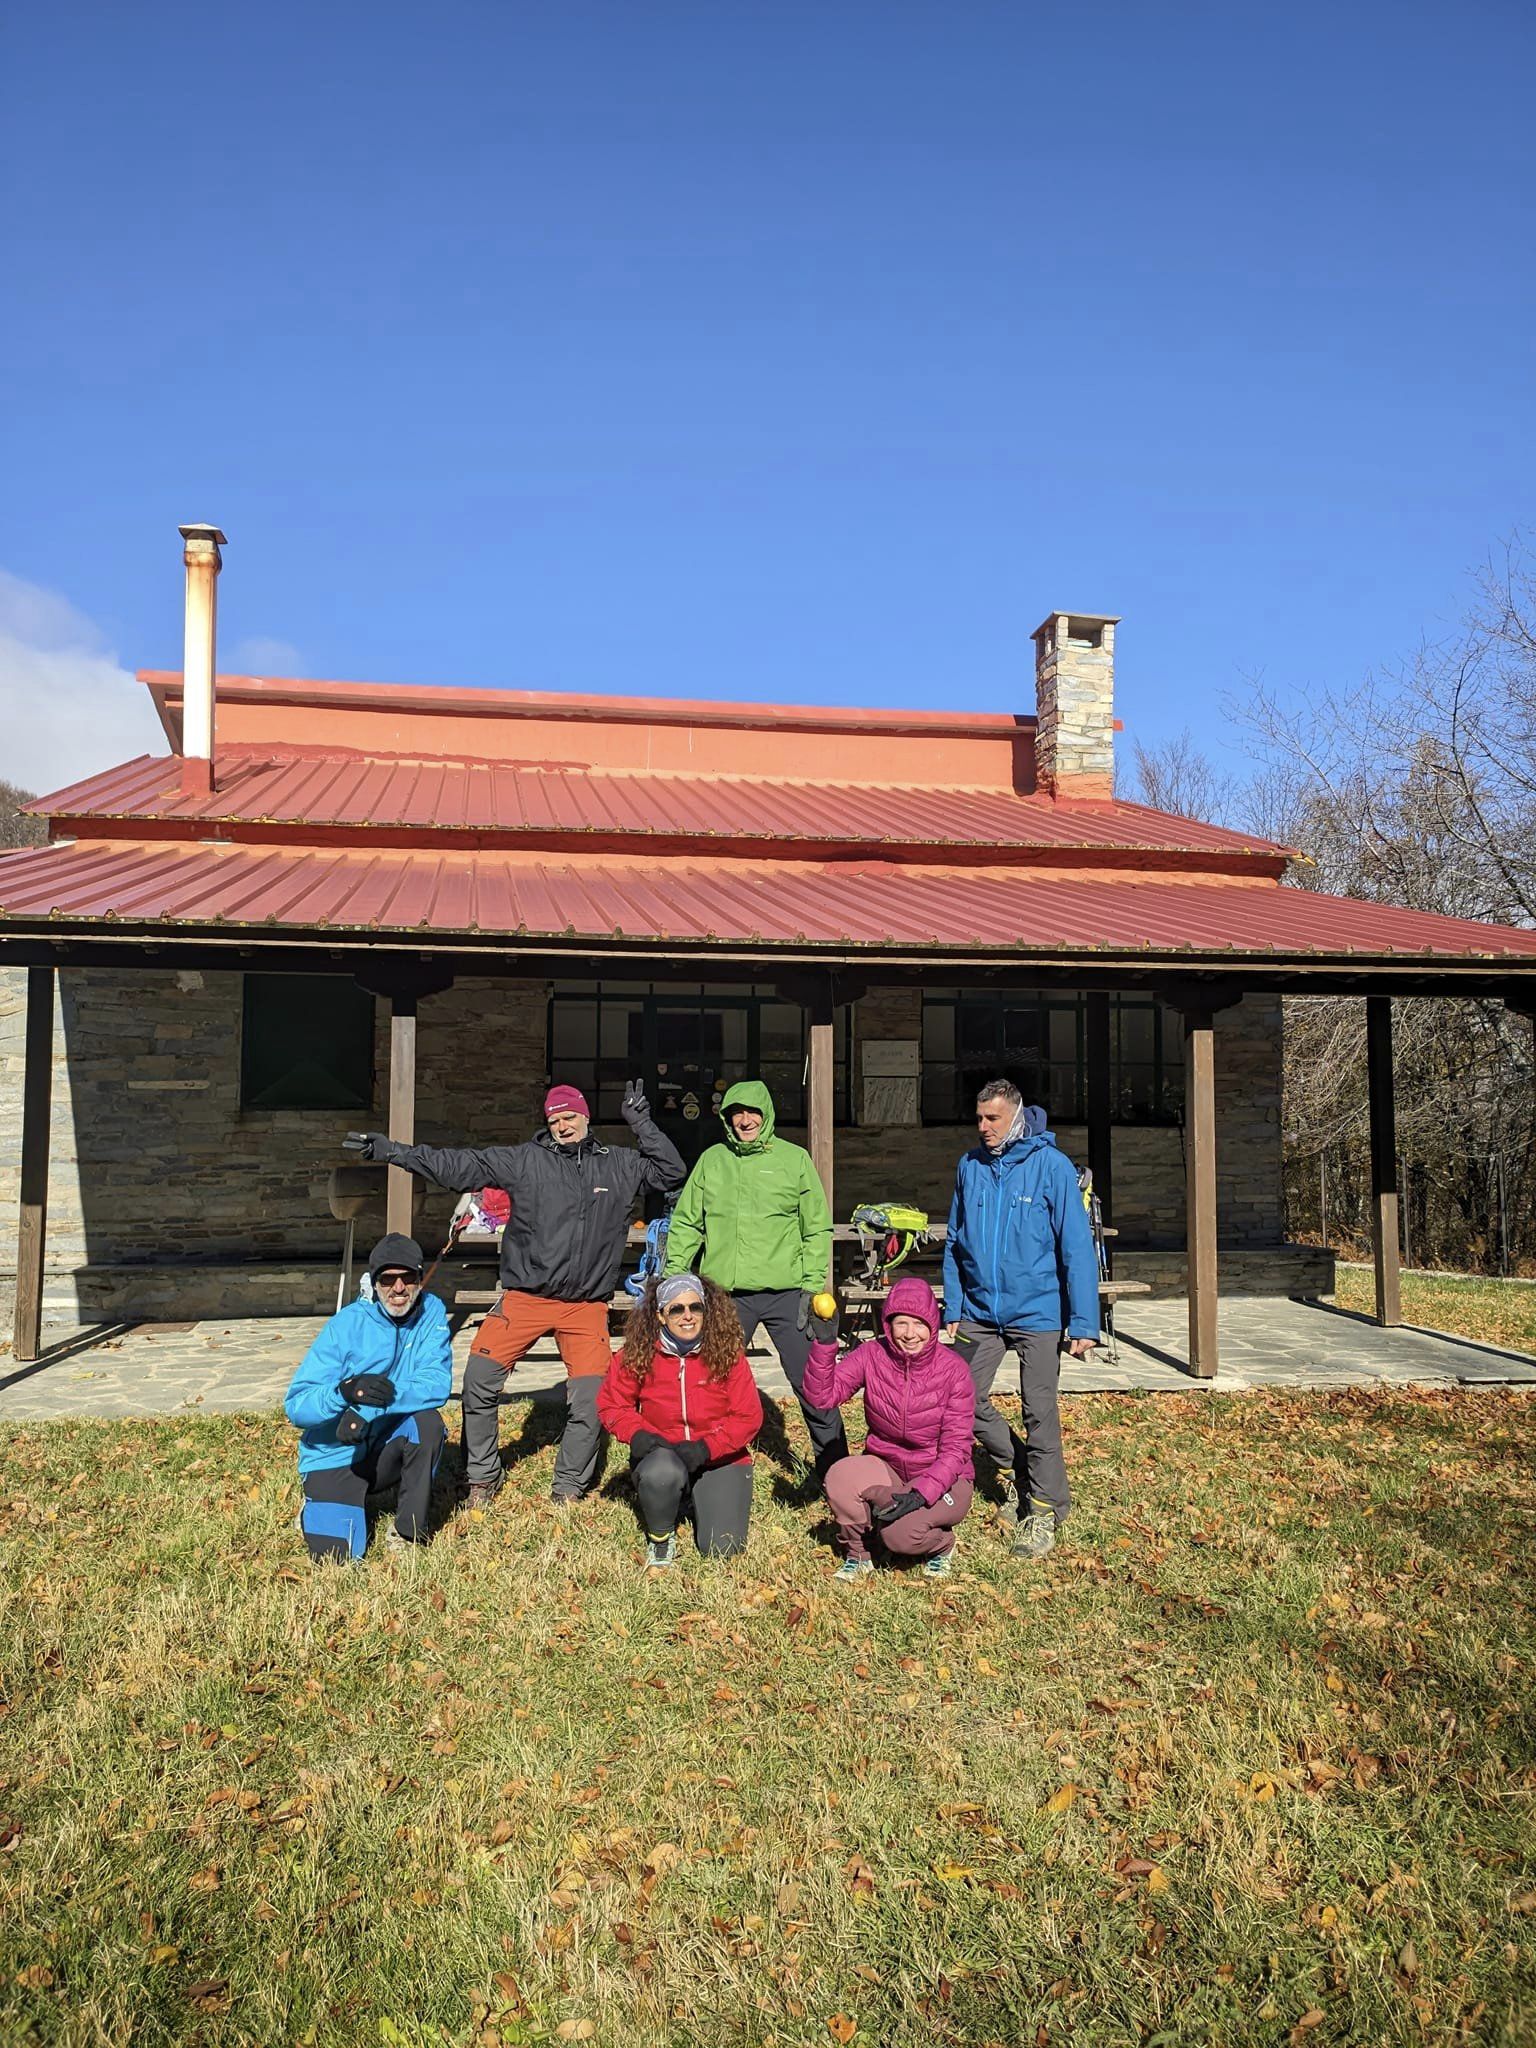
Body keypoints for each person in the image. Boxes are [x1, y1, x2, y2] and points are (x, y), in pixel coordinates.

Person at [345, 1081, 685, 1508]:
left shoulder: (618, 1164)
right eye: (554, 1119)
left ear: (585, 1117)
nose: (563, 1126)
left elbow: (671, 1171)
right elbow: (457, 1166)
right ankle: (483, 1477)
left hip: (585, 1306)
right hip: (525, 1297)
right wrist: (393, 1151)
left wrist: (642, 1123)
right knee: (479, 1383)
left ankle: (568, 1487)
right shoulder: (525, 1160)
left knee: (592, 1398)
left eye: (569, 1117)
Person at [941, 1079, 1099, 1561]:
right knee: (960, 1398)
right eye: (979, 1117)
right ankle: (1022, 1471)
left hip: (1038, 1313)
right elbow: (954, 1241)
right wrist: (953, 1306)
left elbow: (1076, 1249)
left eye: (993, 1118)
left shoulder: (1050, 1167)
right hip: (980, 1314)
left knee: (1039, 1412)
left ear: (1017, 1115)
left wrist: (1085, 1323)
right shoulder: (970, 1166)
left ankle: (1045, 1509)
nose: (983, 1127)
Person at [663, 1079, 845, 1483]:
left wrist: (813, 1287)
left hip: (787, 1294)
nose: (745, 1120)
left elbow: (816, 1228)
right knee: (710, 1383)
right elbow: (688, 1223)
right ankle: (708, 1470)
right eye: (736, 1113)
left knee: (814, 1385)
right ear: (727, 1118)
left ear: (766, 1115)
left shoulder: (794, 1160)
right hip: (726, 1296)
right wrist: (676, 1277)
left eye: (752, 1112)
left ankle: (837, 1472)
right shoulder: (713, 1160)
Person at [284, 1233, 452, 1561]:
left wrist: (369, 1408)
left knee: (428, 1424)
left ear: (420, 1278)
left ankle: (408, 1532)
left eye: (408, 1278)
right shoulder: (346, 1325)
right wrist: (344, 1392)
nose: (399, 1288)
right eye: (388, 1279)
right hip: (335, 1453)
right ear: (374, 1284)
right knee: (338, 1559)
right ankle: (313, 1507)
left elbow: (436, 1382)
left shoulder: (431, 1312)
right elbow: (296, 1406)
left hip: (384, 1445)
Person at [803, 1275, 974, 1581]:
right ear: (887, 1324)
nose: (910, 1334)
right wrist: (825, 1344)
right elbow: (822, 1397)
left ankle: (943, 1545)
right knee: (840, 1476)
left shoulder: (954, 1370)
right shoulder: (872, 1354)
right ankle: (860, 1554)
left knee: (900, 1537)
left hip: (943, 1476)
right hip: (889, 1467)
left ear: (933, 1326)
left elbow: (956, 1450)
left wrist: (921, 1494)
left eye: (919, 1324)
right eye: (901, 1323)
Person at [597, 1272, 763, 1569]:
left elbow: (748, 1416)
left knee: (723, 1548)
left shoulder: (728, 1354)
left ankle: (694, 1497)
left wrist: (707, 1448)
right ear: (660, 1315)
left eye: (695, 1307)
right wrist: (637, 1435)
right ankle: (661, 1535)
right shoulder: (637, 1354)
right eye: (676, 1309)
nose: (687, 1316)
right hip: (664, 1455)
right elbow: (612, 1404)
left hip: (719, 1457)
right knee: (662, 1473)